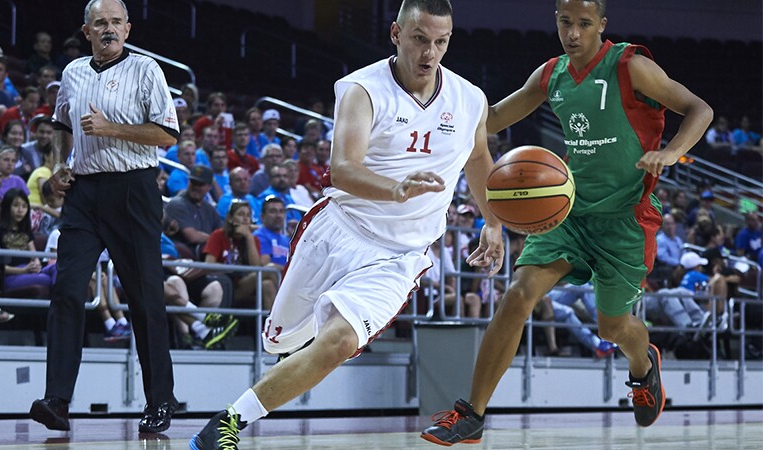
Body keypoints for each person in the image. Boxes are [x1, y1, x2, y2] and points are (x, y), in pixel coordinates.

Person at [190, 1, 504, 447]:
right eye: (419, 39)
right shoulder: (362, 88)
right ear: (396, 34)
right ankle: (280, 363)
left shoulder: (470, 98)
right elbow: (342, 168)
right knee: (283, 343)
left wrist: (492, 221)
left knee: (337, 343)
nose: (429, 52)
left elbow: (477, 159)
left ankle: (225, 424)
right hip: (342, 230)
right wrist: (395, 189)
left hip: (399, 256)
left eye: (440, 42)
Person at [421, 0, 713, 445]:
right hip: (568, 212)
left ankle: (643, 364)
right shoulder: (551, 74)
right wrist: (439, 107)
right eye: (564, 22)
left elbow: (699, 109)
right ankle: (472, 415)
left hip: (626, 221)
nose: (572, 33)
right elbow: (494, 118)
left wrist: (672, 152)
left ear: (602, 25)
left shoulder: (631, 66)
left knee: (610, 328)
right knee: (518, 295)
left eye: (583, 24)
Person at [29, 0, 180, 434]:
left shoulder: (147, 69)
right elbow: (60, 126)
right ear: (87, 30)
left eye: (116, 22)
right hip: (84, 191)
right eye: (101, 23)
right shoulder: (73, 72)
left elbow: (168, 134)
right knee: (67, 289)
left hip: (133, 189)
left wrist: (111, 127)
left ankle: (159, 401)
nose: (109, 29)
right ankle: (57, 399)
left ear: (128, 29)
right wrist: (60, 165)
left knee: (144, 298)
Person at [164, 165, 223, 257]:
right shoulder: (177, 204)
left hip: (202, 257)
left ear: (209, 186)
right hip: (182, 260)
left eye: (200, 184)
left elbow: (223, 234)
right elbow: (192, 237)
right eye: (193, 183)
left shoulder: (209, 209)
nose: (196, 187)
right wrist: (215, 239)